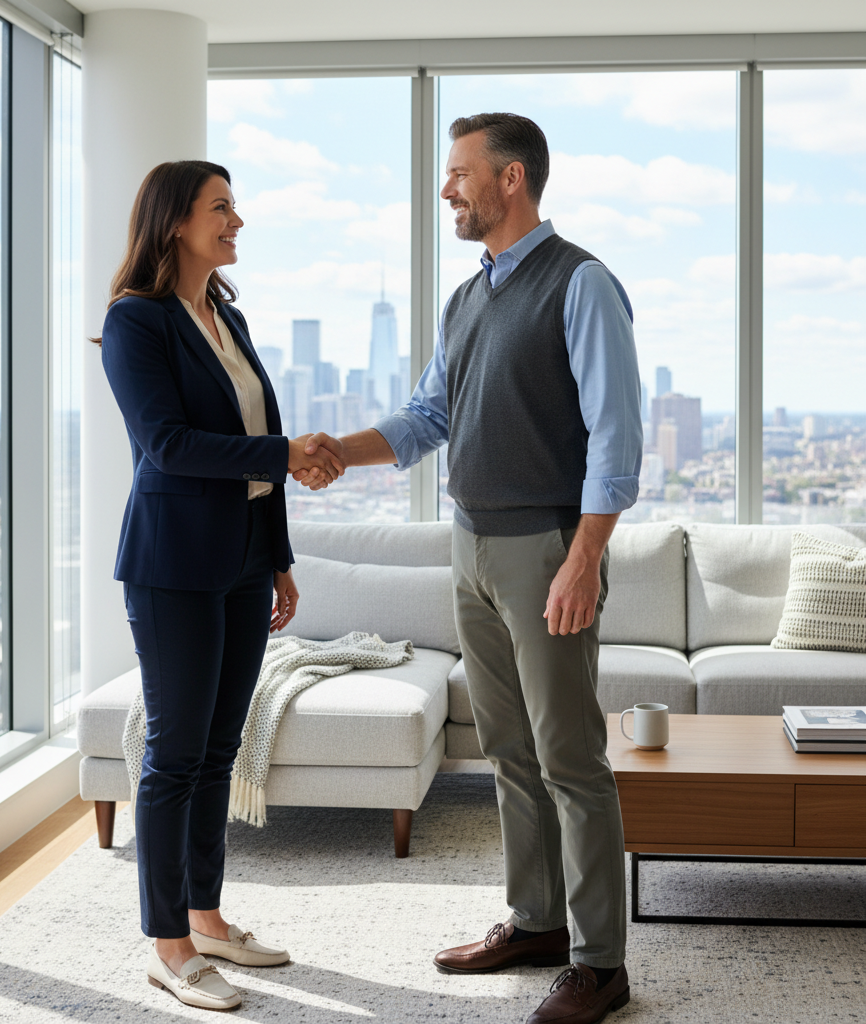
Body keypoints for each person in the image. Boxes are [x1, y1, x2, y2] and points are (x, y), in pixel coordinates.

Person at [298, 114, 642, 1024]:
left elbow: (616, 437)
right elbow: (422, 421)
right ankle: (536, 922)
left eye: (460, 174)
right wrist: (340, 448)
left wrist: (583, 559)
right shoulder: (467, 299)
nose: (447, 190)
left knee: (570, 755)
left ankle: (601, 964)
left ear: (511, 180)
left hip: (545, 549)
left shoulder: (583, 285)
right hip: (472, 544)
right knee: (506, 749)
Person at [97, 160, 344, 1012]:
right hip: (171, 565)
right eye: (220, 207)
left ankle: (205, 915)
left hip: (242, 559)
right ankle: (167, 944)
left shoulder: (223, 314)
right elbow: (167, 445)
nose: (237, 220)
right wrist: (285, 455)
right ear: (175, 221)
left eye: (235, 205)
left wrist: (277, 557)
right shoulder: (137, 322)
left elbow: (254, 436)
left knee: (217, 750)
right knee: (172, 755)